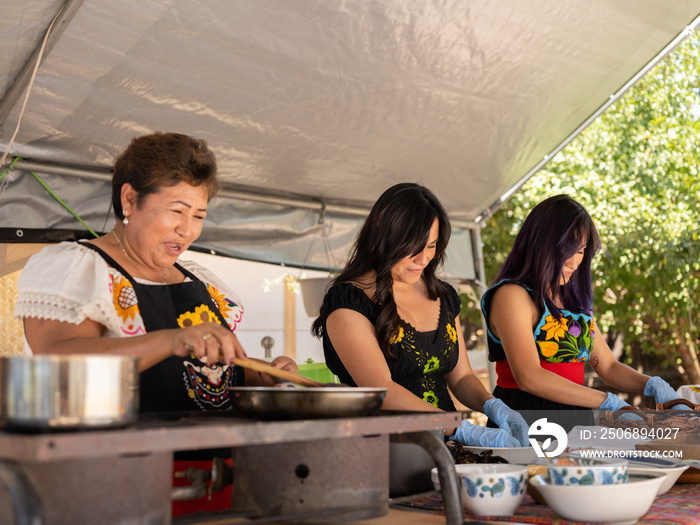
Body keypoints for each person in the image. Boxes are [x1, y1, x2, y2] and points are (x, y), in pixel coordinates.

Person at [14, 131, 298, 515]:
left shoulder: (203, 283)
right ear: (130, 199)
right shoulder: (79, 269)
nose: (188, 230)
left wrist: (262, 373)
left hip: (222, 479)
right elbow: (58, 359)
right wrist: (169, 340)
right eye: (177, 211)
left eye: (198, 216)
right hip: (122, 486)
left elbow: (204, 373)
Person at [312, 182, 529, 448]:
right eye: (413, 248)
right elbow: (383, 391)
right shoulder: (349, 301)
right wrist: (461, 428)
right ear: (384, 239)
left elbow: (461, 378)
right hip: (386, 450)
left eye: (432, 246)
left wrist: (492, 405)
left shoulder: (444, 296)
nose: (423, 259)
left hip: (447, 446)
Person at [481, 194, 688, 432]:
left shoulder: (572, 300)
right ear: (539, 244)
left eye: (580, 251)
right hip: (527, 418)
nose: (574, 262)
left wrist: (652, 384)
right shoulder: (512, 295)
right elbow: (530, 378)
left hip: (576, 419)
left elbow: (608, 367)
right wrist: (607, 401)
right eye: (567, 249)